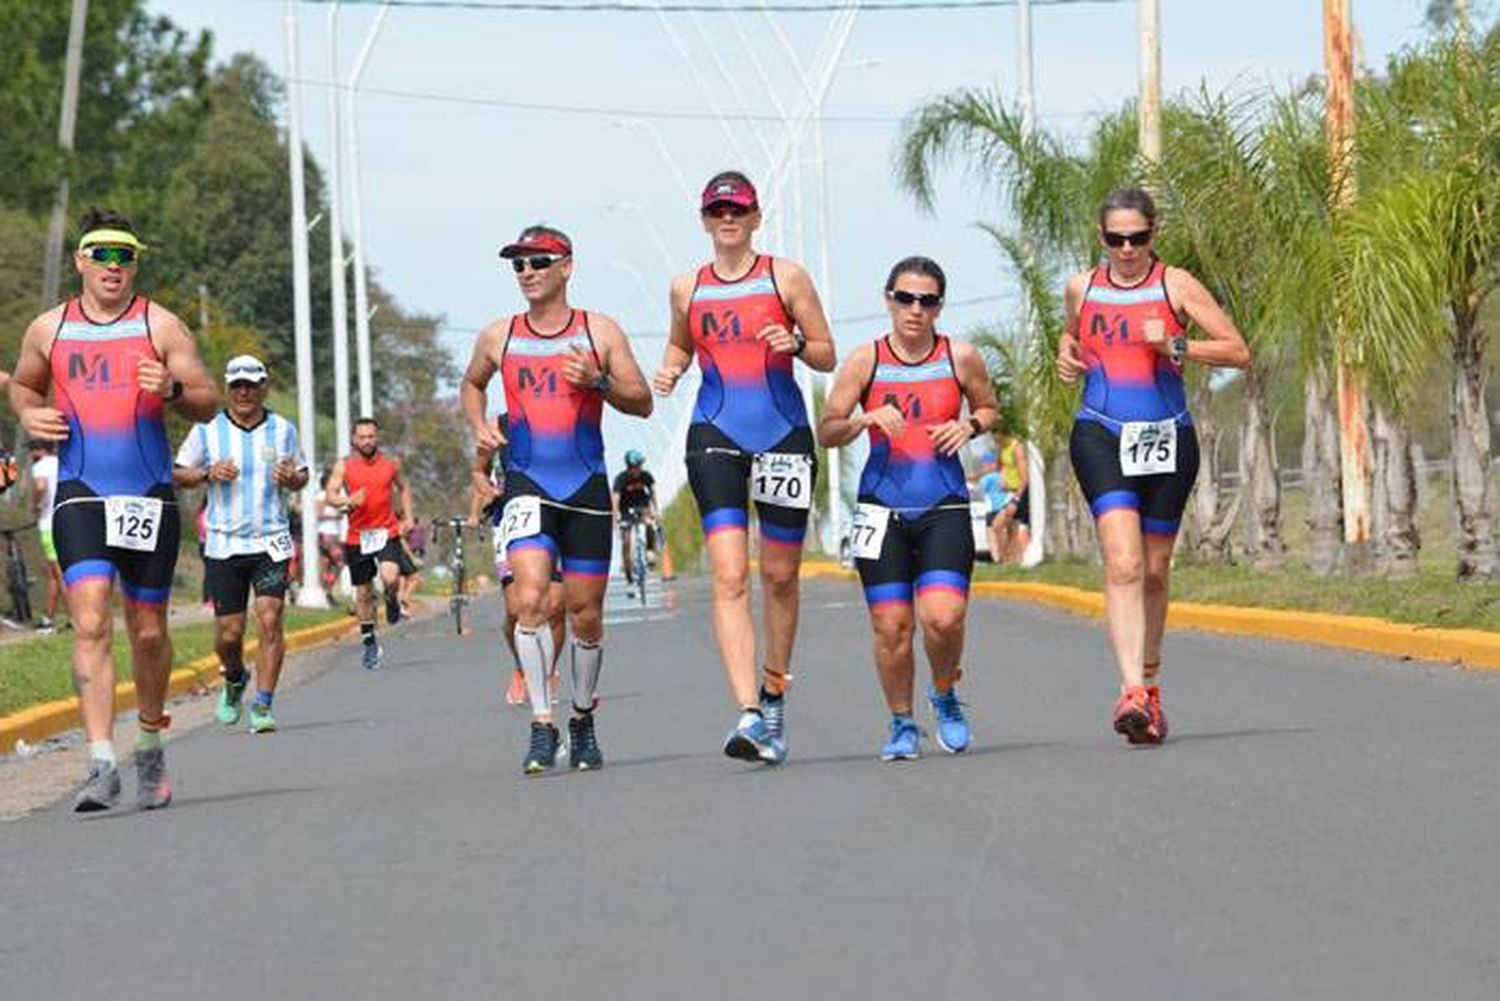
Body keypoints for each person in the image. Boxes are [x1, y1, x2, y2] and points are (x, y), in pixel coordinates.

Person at [8, 208, 218, 812]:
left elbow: (206, 400)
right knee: (92, 618)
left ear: (135, 265)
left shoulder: (161, 326)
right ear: (80, 260)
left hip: (148, 492)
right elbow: (24, 384)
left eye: (124, 255)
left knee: (148, 631)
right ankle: (100, 762)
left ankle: (149, 741)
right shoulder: (49, 329)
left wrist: (173, 391)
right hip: (81, 489)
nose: (112, 266)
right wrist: (28, 413)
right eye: (100, 254)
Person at [652, 171, 836, 764]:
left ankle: (775, 689)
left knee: (779, 576)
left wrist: (796, 345)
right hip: (715, 433)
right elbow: (683, 343)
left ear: (757, 217)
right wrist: (671, 369)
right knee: (730, 575)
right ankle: (749, 714)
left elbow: (826, 351)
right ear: (705, 221)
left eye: (738, 210)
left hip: (782, 431)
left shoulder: (786, 277)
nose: (727, 219)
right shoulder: (687, 287)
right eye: (717, 211)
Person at [1057, 187, 1251, 745]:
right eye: (1115, 239)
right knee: (1123, 563)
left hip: (1167, 437)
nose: (1126, 249)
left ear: (1152, 235)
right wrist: (1066, 358)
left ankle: (1151, 685)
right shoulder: (1081, 287)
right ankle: (1130, 693)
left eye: (1137, 238)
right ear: (1102, 239)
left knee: (1156, 569)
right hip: (1100, 433)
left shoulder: (1175, 284)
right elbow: (1073, 342)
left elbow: (1237, 350)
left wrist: (1176, 345)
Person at [462, 224, 652, 775]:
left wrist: (598, 382)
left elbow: (640, 402)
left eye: (538, 262)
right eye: (518, 265)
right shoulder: (500, 335)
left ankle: (583, 717)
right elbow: (472, 384)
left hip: (586, 487)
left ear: (566, 266)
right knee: (529, 600)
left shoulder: (600, 332)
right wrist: (479, 427)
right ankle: (541, 724)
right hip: (527, 483)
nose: (527, 273)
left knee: (585, 615)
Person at [818, 257, 998, 760]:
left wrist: (972, 426)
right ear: (888, 300)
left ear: (939, 305)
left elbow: (987, 406)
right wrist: (865, 419)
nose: (915, 310)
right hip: (881, 509)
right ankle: (901, 724)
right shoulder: (865, 361)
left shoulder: (960, 357)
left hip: (943, 504)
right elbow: (827, 430)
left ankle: (943, 692)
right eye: (905, 298)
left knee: (943, 618)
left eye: (927, 300)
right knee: (892, 627)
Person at [172, 355, 309, 734]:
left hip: (270, 541)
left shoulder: (282, 429)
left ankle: (263, 705)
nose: (245, 392)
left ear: (263, 387)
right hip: (223, 544)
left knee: (269, 620)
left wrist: (291, 478)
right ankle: (234, 677)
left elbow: (302, 473)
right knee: (229, 635)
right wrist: (206, 472)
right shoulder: (207, 431)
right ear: (228, 389)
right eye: (237, 385)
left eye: (252, 384)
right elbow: (178, 472)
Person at [469, 415, 565, 707]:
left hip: (553, 515)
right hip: (511, 521)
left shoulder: (556, 416)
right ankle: (523, 667)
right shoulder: (497, 427)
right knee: (516, 608)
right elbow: (479, 473)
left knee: (556, 607)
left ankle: (548, 672)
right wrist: (483, 498)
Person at [325, 418, 416, 670]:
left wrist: (407, 517)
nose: (367, 441)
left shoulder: (390, 464)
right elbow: (330, 494)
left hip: (386, 531)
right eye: (362, 437)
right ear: (354, 440)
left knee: (390, 577)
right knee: (363, 592)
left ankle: (391, 600)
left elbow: (405, 487)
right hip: (358, 537)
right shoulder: (344, 466)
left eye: (371, 436)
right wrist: (347, 500)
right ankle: (369, 643)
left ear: (378, 438)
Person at [612, 449, 660, 593]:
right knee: (626, 542)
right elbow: (615, 500)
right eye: (636, 466)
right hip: (626, 510)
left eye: (640, 465)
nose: (639, 469)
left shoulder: (646, 476)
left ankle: (650, 550)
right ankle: (629, 579)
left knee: (649, 523)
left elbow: (653, 493)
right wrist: (617, 517)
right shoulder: (621, 479)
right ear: (629, 466)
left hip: (642, 506)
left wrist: (656, 511)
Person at [29, 441, 63, 632]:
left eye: (33, 449)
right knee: (56, 574)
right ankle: (48, 618)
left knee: (57, 573)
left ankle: (78, 619)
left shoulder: (40, 466)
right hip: (66, 522)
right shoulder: (61, 463)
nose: (31, 453)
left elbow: (41, 487)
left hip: (48, 524)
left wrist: (35, 505)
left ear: (41, 450)